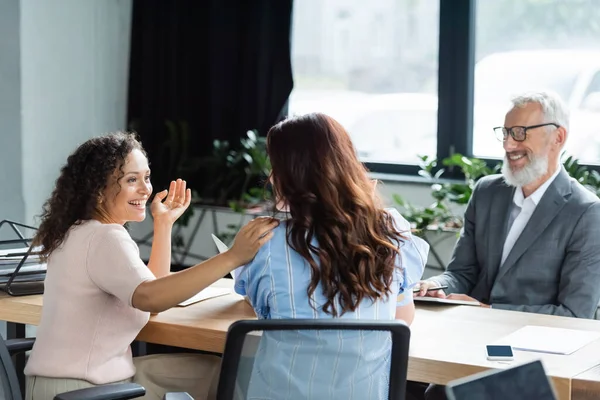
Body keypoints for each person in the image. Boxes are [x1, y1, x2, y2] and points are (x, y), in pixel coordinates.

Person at [24, 132, 278, 400]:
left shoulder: (80, 231)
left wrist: (164, 224)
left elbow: (151, 289)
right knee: (226, 375)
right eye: (131, 180)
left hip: (69, 386)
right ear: (98, 191)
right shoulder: (105, 237)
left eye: (146, 177)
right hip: (85, 391)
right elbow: (150, 298)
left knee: (211, 371)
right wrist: (232, 257)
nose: (146, 189)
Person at [416, 91, 600, 399]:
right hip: (469, 346)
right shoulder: (487, 192)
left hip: (537, 362)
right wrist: (435, 286)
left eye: (520, 133)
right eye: (505, 132)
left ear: (558, 137)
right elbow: (461, 273)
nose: (508, 145)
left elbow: (575, 314)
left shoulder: (586, 211)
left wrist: (488, 309)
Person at [233, 113, 429, 400]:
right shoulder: (389, 232)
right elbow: (401, 319)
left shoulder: (264, 242)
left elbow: (260, 309)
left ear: (287, 176)